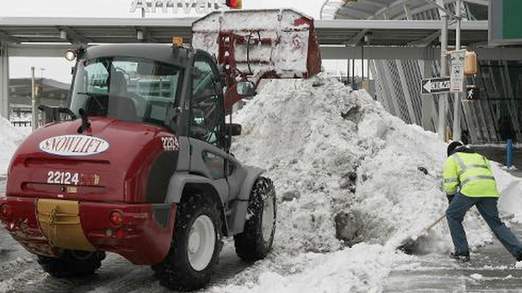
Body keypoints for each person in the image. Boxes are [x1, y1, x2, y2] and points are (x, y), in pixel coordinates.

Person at [443, 141, 522, 262]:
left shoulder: (452, 158)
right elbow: (483, 173)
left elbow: (449, 184)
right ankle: (519, 251)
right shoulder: (480, 156)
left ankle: (462, 252)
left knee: (452, 215)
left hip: (471, 189)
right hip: (489, 190)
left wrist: (452, 199)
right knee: (496, 224)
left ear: (451, 152)